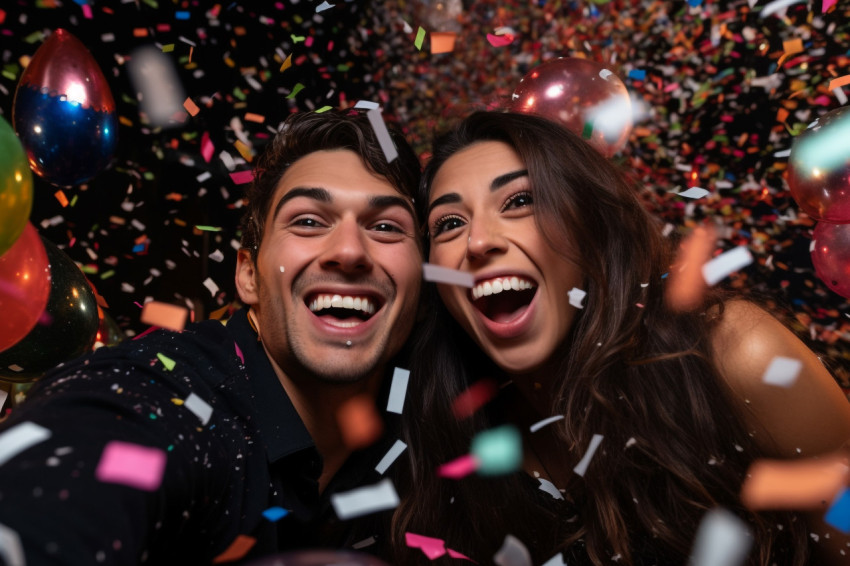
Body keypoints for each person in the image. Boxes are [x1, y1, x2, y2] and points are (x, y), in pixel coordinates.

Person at [388, 111, 850, 566]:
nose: (477, 242)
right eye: (449, 223)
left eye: (519, 200)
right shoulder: (455, 443)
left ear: (589, 224)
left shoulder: (737, 354)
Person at [0, 110, 423, 565]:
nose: (348, 251)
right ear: (247, 277)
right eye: (308, 221)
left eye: (385, 227)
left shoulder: (431, 429)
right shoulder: (175, 391)